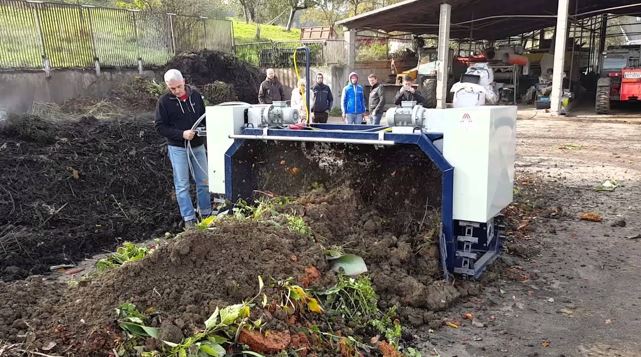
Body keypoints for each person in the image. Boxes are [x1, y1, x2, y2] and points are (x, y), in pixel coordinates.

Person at [155, 69, 212, 229]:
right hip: (178, 148)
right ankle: (189, 218)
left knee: (204, 181)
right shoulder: (164, 102)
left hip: (198, 146)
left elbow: (204, 117)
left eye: (179, 87)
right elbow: (160, 127)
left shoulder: (195, 96)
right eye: (172, 88)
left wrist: (205, 130)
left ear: (184, 81)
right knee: (182, 185)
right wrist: (181, 134)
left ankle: (206, 213)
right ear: (167, 86)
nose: (177, 91)